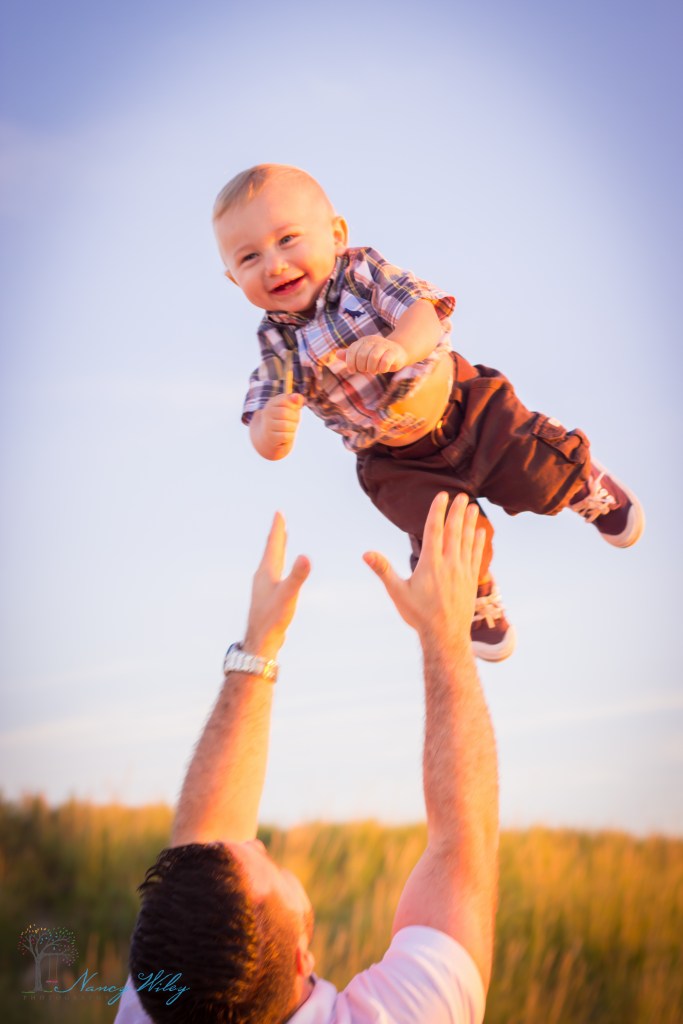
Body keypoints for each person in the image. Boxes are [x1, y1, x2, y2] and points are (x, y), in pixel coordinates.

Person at [213, 163, 645, 662]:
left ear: (335, 234)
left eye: (288, 239)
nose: (274, 264)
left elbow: (422, 309)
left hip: (465, 409)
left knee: (535, 474)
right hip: (394, 460)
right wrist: (272, 429)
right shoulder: (279, 342)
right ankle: (471, 590)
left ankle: (580, 481)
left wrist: (399, 346)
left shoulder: (362, 273)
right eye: (249, 257)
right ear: (232, 277)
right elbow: (267, 413)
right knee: (444, 531)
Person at [114, 492, 498, 1023]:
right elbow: (461, 847)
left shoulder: (175, 996)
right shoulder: (154, 1003)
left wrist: (260, 644)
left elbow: (206, 841)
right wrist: (445, 634)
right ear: (300, 956)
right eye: (266, 860)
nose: (258, 841)